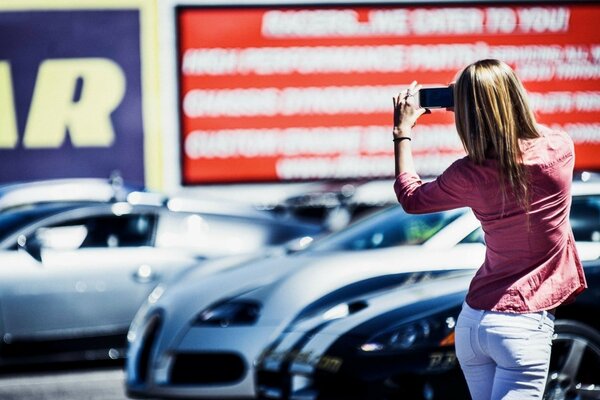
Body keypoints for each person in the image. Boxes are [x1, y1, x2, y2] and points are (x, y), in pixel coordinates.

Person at [392, 59, 586, 400]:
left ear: (463, 112)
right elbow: (529, 132)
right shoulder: (559, 150)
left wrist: (402, 132)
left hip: (473, 322)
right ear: (516, 97)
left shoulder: (468, 174)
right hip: (523, 323)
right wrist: (483, 100)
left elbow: (411, 198)